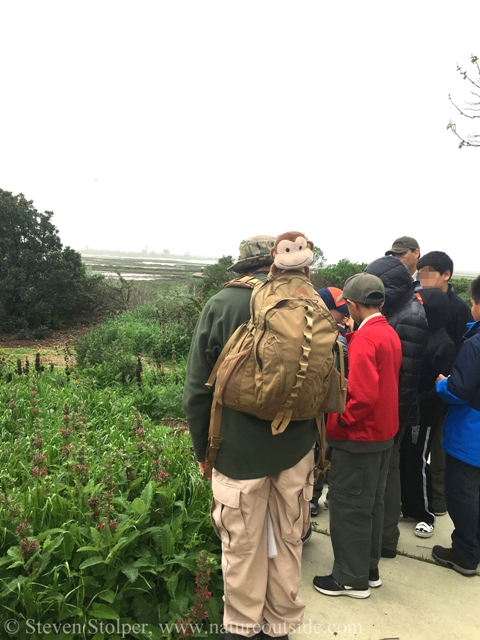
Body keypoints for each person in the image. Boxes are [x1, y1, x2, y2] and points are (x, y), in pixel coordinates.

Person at [183, 235, 319, 640]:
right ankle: (279, 628)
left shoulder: (223, 304)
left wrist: (203, 452)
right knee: (289, 540)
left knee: (243, 548)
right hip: (297, 450)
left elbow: (196, 391)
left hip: (237, 454)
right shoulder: (311, 299)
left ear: (244, 267)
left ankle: (242, 629)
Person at [313, 273, 402, 599]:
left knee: (350, 507)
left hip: (360, 437)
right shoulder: (388, 332)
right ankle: (368, 569)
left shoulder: (364, 339)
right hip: (383, 435)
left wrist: (337, 423)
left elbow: (361, 396)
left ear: (351, 303)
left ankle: (350, 579)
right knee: (372, 505)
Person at [364, 256, 428, 558]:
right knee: (387, 474)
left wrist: (392, 422)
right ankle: (385, 537)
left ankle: (386, 539)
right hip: (393, 412)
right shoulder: (400, 310)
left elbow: (406, 377)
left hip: (395, 414)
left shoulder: (410, 316)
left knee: (386, 475)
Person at [417, 250, 473, 514]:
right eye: (420, 275)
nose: (423, 280)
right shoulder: (419, 300)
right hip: (427, 386)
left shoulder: (460, 310)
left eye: (428, 275)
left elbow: (467, 351)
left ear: (446, 275)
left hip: (449, 388)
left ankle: (437, 501)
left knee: (439, 449)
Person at [432, 275, 480, 576]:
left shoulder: (475, 345)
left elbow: (459, 391)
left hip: (470, 435)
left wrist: (441, 384)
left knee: (462, 495)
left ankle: (465, 554)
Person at [400, 288, 457, 537]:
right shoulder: (421, 334)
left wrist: (419, 401)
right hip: (411, 410)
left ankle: (426, 513)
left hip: (426, 414)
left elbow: (442, 386)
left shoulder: (443, 344)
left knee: (420, 462)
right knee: (406, 460)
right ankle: (409, 505)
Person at [310, 287, 349, 517]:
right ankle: (312, 497)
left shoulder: (342, 334)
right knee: (316, 449)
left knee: (326, 449)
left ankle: (321, 495)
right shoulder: (311, 329)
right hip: (315, 401)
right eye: (339, 311)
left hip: (332, 403)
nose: (344, 316)